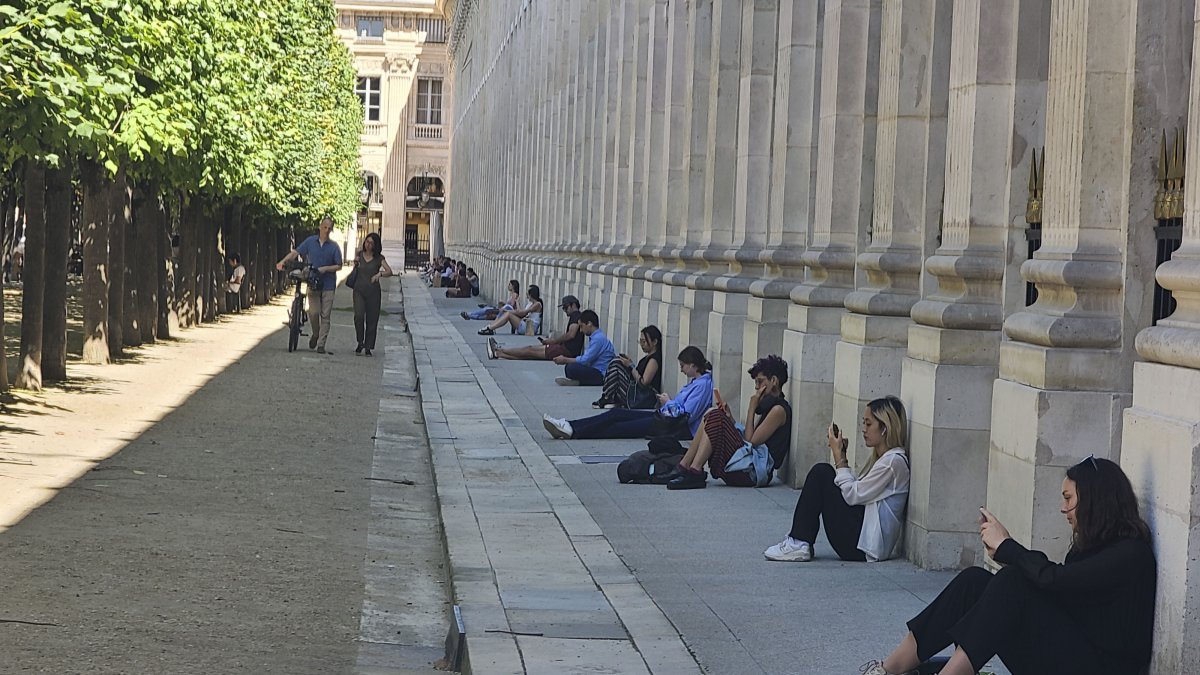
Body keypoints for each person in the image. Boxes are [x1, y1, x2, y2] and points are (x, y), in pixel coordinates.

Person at [861, 456, 1156, 675]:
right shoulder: (1090, 548)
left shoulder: (1130, 553)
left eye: (1069, 498)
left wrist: (1009, 548)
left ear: (1093, 500)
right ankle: (890, 669)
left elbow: (1055, 581)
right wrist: (1007, 553)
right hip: (1074, 655)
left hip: (1102, 668)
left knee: (1013, 581)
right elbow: (1057, 588)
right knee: (976, 581)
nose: (1063, 508)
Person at [763, 396, 909, 563]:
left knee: (822, 473)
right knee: (824, 475)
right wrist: (843, 457)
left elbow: (853, 495)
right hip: (862, 539)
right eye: (864, 423)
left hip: (863, 547)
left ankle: (798, 542)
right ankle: (799, 541)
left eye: (869, 424)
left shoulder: (893, 462)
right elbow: (860, 493)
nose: (864, 429)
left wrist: (839, 457)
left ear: (885, 428)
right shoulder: (886, 460)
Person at [665, 355, 792, 490]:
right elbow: (750, 439)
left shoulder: (779, 410)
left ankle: (695, 471)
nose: (756, 387)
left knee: (715, 415)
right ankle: (684, 466)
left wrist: (751, 408)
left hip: (753, 472)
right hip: (747, 464)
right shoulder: (771, 407)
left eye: (760, 382)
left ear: (774, 381)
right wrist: (730, 420)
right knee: (711, 414)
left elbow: (751, 441)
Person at [542, 346, 714, 441]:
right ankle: (570, 425)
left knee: (617, 427)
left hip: (671, 427)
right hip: (663, 419)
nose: (682, 370)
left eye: (683, 366)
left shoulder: (702, 386)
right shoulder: (697, 383)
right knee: (615, 414)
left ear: (693, 365)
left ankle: (573, 431)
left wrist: (667, 401)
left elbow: (686, 415)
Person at [276, 217, 343, 354]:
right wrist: (282, 261)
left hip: (328, 285)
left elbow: (339, 265)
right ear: (320, 227)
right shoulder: (310, 241)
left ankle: (321, 345)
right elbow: (296, 252)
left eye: (329, 228)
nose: (327, 230)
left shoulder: (334, 247)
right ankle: (316, 333)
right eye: (325, 227)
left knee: (326, 315)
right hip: (313, 282)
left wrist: (325, 268)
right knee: (314, 312)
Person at [487, 295, 584, 361]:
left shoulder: (576, 315)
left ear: (573, 305)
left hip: (565, 350)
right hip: (565, 349)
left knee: (530, 351)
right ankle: (499, 353)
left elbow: (571, 335)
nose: (565, 311)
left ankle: (499, 350)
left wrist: (553, 341)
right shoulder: (575, 316)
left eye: (566, 307)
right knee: (530, 352)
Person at [593, 325, 663, 409]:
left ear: (655, 342)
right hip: (636, 393)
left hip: (641, 397)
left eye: (644, 342)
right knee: (618, 361)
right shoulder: (647, 357)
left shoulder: (654, 360)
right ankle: (608, 396)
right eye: (640, 341)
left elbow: (644, 383)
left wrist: (631, 366)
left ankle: (607, 397)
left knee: (616, 364)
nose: (641, 345)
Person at [351, 232, 393, 357]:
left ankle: (368, 346)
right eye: (367, 242)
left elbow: (389, 271)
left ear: (375, 245)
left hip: (373, 292)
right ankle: (360, 341)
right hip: (359, 289)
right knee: (358, 316)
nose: (368, 245)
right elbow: (355, 269)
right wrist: (355, 263)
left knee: (372, 319)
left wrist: (379, 274)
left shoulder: (379, 258)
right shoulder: (359, 255)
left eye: (371, 243)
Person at [550, 310, 616, 386]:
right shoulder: (596, 337)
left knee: (571, 368)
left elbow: (585, 360)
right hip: (596, 370)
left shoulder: (598, 339)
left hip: (601, 374)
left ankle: (580, 381)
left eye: (581, 326)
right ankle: (579, 382)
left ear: (589, 324)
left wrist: (565, 359)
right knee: (571, 367)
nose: (581, 330)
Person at [477, 285, 543, 336]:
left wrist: (508, 311)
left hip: (530, 328)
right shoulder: (530, 303)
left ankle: (490, 328)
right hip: (525, 324)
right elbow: (520, 312)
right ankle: (491, 326)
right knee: (508, 310)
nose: (526, 294)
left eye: (527, 293)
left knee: (508, 313)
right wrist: (517, 302)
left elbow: (523, 313)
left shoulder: (537, 304)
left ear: (531, 294)